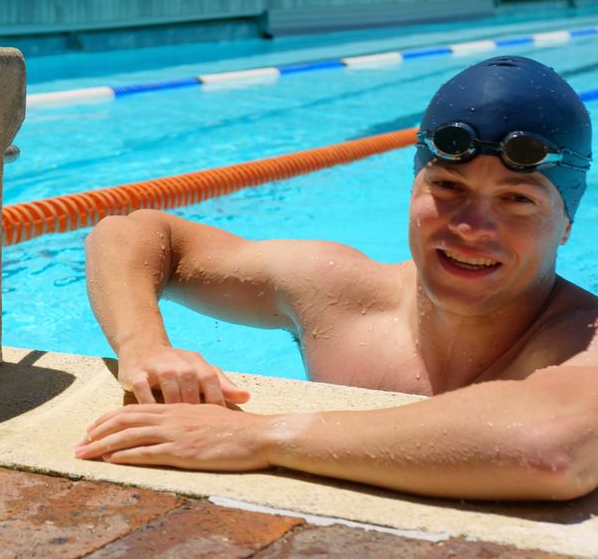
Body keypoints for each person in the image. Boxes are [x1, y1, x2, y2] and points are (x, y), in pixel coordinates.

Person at [74, 56, 598, 501]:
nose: (469, 227)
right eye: (446, 185)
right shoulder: (341, 293)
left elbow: (548, 447)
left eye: (517, 199)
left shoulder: (580, 339)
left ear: (568, 223)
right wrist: (143, 344)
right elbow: (129, 233)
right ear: (413, 189)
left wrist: (262, 437)